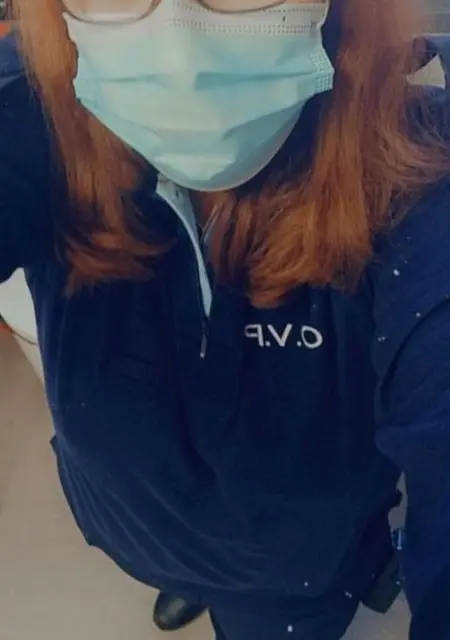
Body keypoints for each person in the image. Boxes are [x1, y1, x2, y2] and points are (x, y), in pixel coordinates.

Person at [2, 0, 450, 637]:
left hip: (295, 584)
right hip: (132, 531)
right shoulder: (37, 113)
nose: (179, 52)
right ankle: (184, 579)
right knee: (172, 563)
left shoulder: (416, 165)